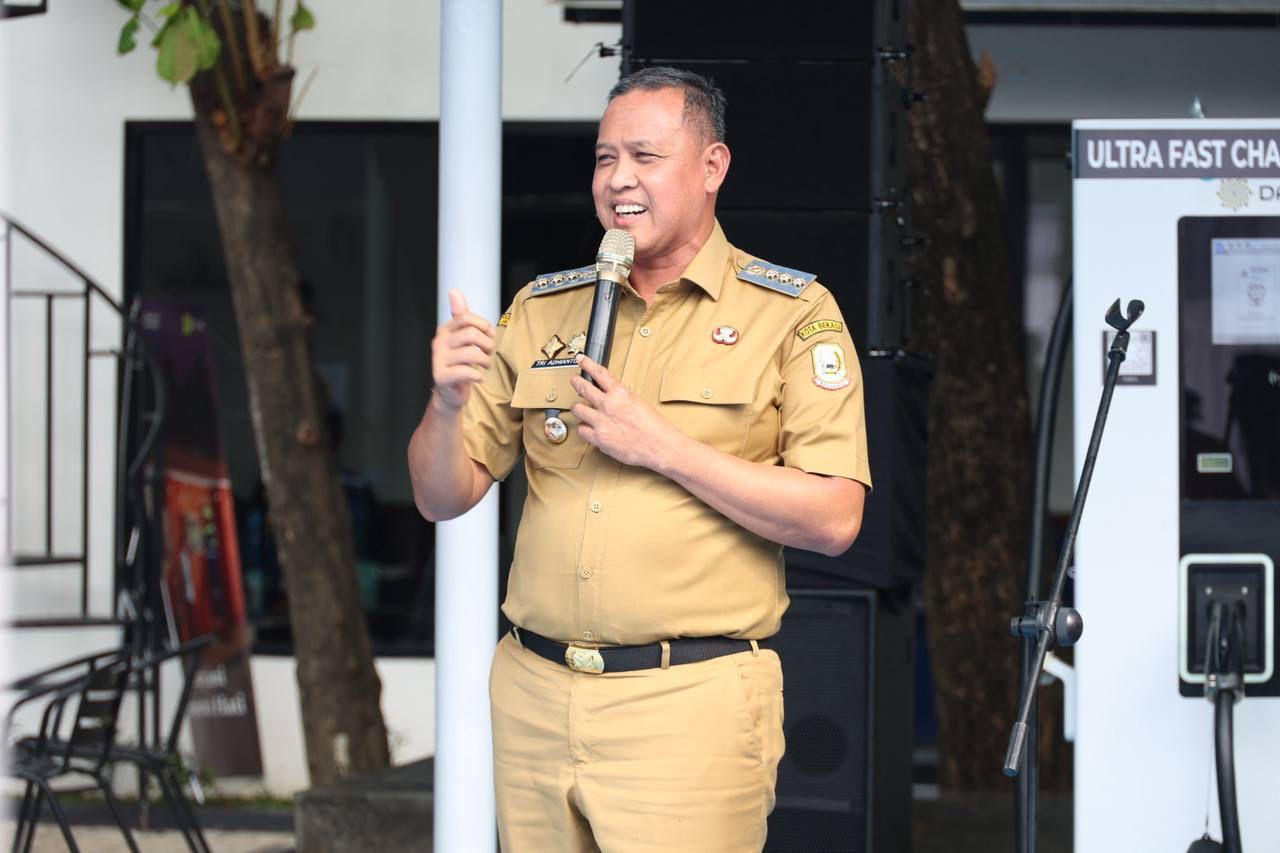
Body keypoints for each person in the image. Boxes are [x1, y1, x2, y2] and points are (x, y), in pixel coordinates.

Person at [407, 66, 871, 852]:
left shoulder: (790, 314)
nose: (618, 179)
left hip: (686, 702)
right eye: (604, 158)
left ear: (712, 167)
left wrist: (663, 447)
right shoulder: (542, 310)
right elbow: (439, 496)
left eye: (645, 157)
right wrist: (446, 404)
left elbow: (836, 517)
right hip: (534, 695)